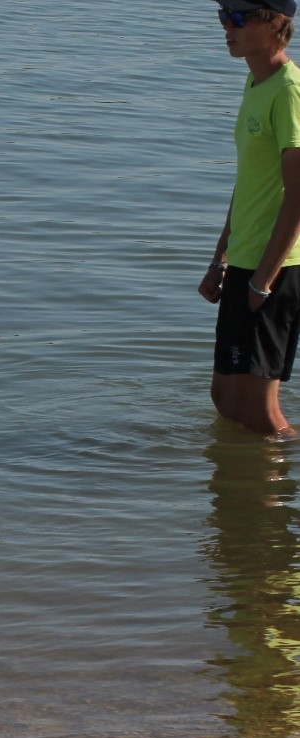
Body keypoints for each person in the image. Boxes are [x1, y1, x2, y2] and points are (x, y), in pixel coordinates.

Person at [201, 0, 300, 442]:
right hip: (244, 261)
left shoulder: (289, 91)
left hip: (276, 268)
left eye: (238, 17)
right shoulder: (255, 82)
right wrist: (220, 258)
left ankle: (274, 504)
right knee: (225, 397)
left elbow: (298, 196)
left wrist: (264, 279)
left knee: (261, 412)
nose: (227, 26)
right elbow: (249, 182)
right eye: (223, 15)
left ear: (275, 23)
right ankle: (238, 505)